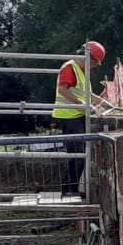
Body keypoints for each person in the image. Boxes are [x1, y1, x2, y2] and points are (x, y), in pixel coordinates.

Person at [52, 40, 106, 194]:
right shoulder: (70, 67)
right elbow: (62, 89)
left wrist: (103, 102)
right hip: (69, 116)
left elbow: (86, 93)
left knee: (79, 155)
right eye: (95, 62)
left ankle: (71, 189)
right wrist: (82, 104)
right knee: (77, 156)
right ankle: (69, 190)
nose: (95, 66)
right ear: (88, 57)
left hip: (76, 115)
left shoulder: (81, 70)